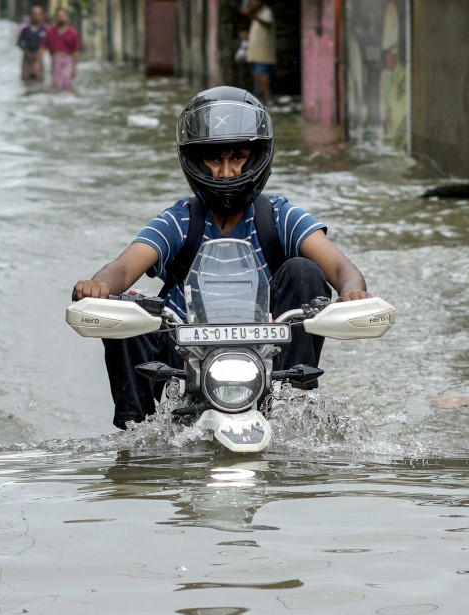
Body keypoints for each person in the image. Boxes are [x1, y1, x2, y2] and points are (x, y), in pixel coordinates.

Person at [72, 87, 373, 430]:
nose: (227, 172)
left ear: (258, 156)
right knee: (125, 306)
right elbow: (124, 267)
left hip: (267, 357)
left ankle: (294, 404)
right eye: (214, 159)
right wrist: (99, 286)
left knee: (304, 270)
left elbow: (340, 267)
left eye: (238, 157)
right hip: (185, 356)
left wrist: (352, 292)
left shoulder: (280, 216)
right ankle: (135, 437)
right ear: (195, 161)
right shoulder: (179, 220)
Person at [241, 0, 276, 104]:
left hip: (264, 52)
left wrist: (252, 15)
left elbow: (268, 24)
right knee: (257, 77)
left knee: (263, 78)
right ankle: (261, 99)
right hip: (255, 52)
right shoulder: (258, 14)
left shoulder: (266, 11)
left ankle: (268, 99)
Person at [44, 8, 80, 91]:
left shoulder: (73, 32)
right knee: (55, 84)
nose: (61, 18)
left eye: (63, 16)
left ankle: (66, 101)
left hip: (68, 59)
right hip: (55, 59)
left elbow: (76, 50)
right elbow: (44, 47)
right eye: (59, 16)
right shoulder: (50, 32)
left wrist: (74, 67)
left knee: (67, 83)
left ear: (67, 17)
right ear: (56, 17)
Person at [17, 6, 48, 83]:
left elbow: (48, 44)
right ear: (31, 15)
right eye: (34, 14)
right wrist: (25, 50)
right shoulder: (25, 29)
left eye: (38, 14)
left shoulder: (45, 30)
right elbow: (19, 42)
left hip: (39, 57)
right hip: (27, 57)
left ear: (41, 16)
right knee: (25, 80)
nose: (36, 17)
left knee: (39, 80)